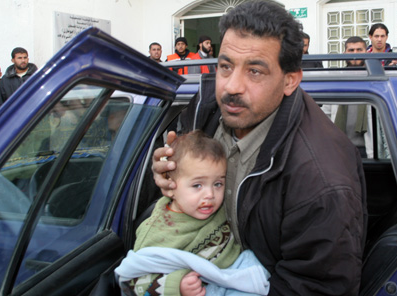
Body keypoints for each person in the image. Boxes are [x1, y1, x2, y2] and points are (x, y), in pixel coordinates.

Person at [153, 1, 367, 295]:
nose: (231, 86)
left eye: (254, 71)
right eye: (226, 66)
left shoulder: (321, 182)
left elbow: (316, 287)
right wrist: (167, 169)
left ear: (290, 80)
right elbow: (179, 158)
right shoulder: (208, 107)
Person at [115, 130, 269, 296]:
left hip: (234, 276)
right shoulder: (157, 232)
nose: (210, 194)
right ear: (169, 185)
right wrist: (177, 285)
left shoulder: (222, 208)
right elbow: (134, 282)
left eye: (218, 184)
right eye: (197, 185)